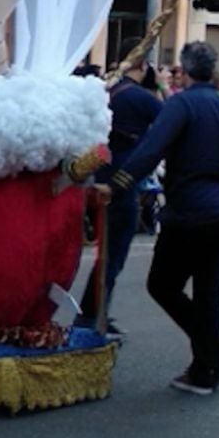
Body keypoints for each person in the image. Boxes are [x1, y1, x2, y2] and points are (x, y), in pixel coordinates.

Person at [109, 41, 219, 396]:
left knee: (163, 285)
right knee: (207, 287)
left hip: (192, 211)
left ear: (185, 73)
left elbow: (152, 148)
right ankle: (207, 363)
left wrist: (119, 183)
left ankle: (213, 349)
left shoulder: (181, 104)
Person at [78, 50, 162, 335]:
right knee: (114, 253)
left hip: (99, 168)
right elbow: (167, 120)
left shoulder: (108, 90)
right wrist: (160, 86)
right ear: (144, 64)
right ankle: (92, 316)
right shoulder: (139, 97)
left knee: (107, 251)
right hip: (122, 178)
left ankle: (93, 312)